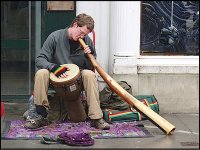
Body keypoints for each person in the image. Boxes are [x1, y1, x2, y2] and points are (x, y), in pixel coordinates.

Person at [24, 13, 110, 130]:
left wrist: (87, 56)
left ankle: (96, 118)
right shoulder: (55, 37)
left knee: (89, 74)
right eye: (81, 32)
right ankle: (40, 116)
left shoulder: (87, 41)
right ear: (75, 24)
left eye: (85, 34)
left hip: (76, 83)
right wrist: (54, 67)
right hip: (56, 81)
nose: (82, 36)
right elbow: (40, 59)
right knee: (41, 73)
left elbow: (91, 67)